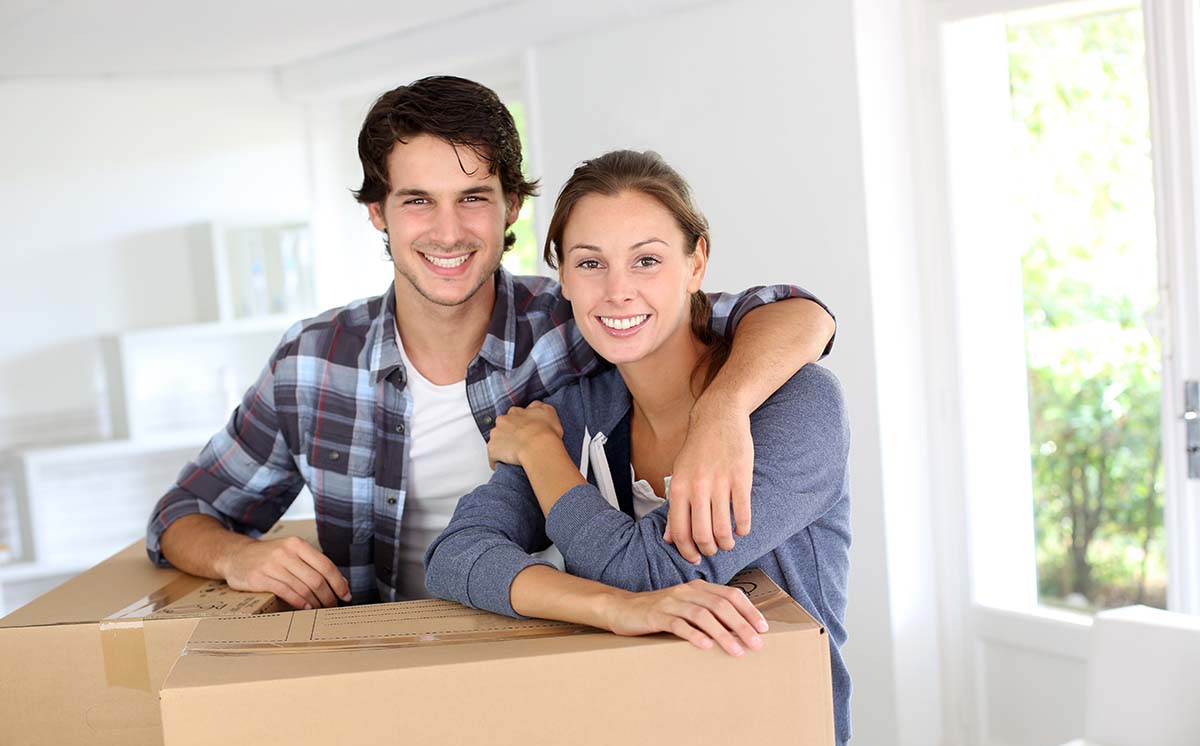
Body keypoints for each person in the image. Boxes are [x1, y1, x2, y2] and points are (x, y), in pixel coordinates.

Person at [146, 76, 837, 609]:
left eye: (473, 196)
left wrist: (723, 411)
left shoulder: (580, 320)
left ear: (511, 206)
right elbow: (183, 515)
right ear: (376, 213)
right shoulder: (313, 363)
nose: (448, 231)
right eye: (417, 200)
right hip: (374, 660)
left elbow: (791, 315)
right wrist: (239, 559)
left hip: (535, 655)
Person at [424, 150, 852, 746]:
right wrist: (614, 609)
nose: (617, 291)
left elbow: (655, 570)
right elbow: (456, 556)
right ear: (563, 277)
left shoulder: (799, 402)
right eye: (590, 263)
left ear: (696, 263)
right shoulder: (574, 407)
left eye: (647, 260)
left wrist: (544, 456)